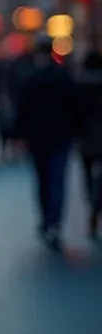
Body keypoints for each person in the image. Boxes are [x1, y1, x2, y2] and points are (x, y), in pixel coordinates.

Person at [15, 36, 80, 251]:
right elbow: (74, 106)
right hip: (61, 136)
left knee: (42, 178)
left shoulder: (30, 78)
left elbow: (22, 109)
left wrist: (21, 135)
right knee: (57, 179)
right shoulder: (64, 76)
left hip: (37, 137)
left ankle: (46, 219)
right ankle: (55, 220)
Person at [75, 51, 102, 238]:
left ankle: (92, 204)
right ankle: (96, 207)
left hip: (86, 139)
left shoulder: (78, 85)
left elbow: (74, 113)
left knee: (88, 174)